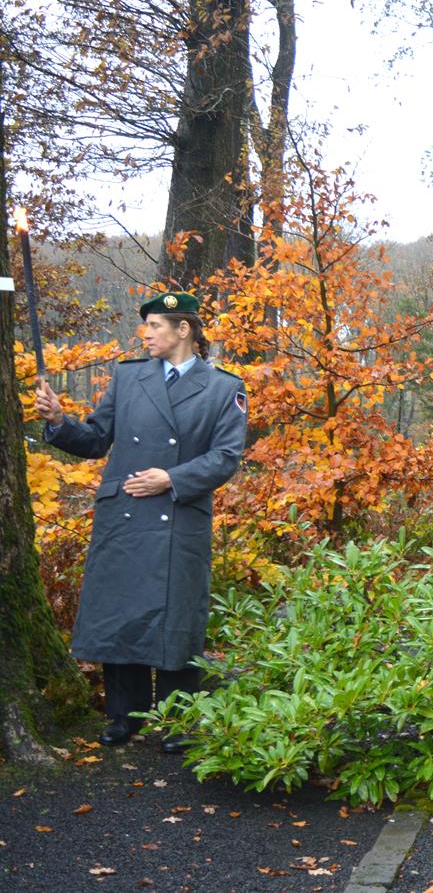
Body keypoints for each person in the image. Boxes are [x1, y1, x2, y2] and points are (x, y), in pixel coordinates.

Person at [34, 291, 247, 752]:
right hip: (125, 512)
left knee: (177, 616)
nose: (146, 334)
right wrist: (58, 420)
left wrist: (171, 477)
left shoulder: (223, 388)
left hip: (179, 514)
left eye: (155, 326)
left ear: (183, 330)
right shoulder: (129, 378)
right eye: (146, 326)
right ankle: (123, 718)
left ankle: (177, 721)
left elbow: (226, 457)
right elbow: (94, 440)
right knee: (122, 614)